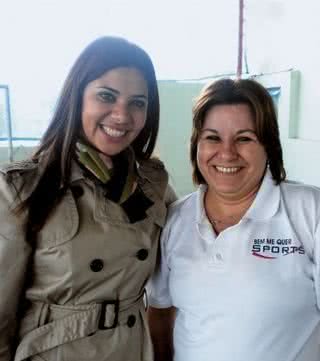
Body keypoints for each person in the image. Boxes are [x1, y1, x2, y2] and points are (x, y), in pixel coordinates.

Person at [0, 36, 176, 361]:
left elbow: (186, 250)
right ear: (76, 97)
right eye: (107, 96)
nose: (122, 115)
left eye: (138, 102)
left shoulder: (152, 183)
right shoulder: (22, 188)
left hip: (131, 349)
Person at [148, 78, 320, 361]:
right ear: (197, 146)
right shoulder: (176, 219)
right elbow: (160, 313)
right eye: (212, 138)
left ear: (269, 145)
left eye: (244, 138)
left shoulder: (309, 212)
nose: (226, 152)